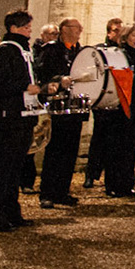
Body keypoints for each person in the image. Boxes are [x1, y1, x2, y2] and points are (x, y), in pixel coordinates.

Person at [0, 9, 43, 232]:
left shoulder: (24, 51)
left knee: (15, 168)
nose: (29, 31)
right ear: (14, 28)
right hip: (8, 118)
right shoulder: (6, 51)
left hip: (23, 116)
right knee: (2, 168)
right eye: (25, 27)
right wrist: (24, 87)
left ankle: (12, 212)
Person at [32, 17, 85, 208]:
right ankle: (47, 192)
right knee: (55, 150)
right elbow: (41, 73)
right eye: (76, 27)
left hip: (75, 106)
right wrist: (59, 79)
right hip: (58, 106)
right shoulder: (51, 49)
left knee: (70, 150)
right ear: (64, 29)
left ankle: (62, 191)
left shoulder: (80, 51)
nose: (80, 30)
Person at [87, 18, 135, 198]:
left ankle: (127, 183)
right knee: (115, 147)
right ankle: (112, 183)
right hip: (117, 105)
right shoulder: (116, 52)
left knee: (129, 148)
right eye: (134, 35)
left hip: (133, 104)